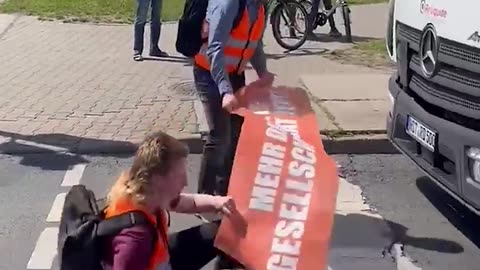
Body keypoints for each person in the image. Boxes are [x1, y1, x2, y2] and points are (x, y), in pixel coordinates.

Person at [101, 131, 246, 270]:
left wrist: (217, 203)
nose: (185, 182)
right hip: (156, 260)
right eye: (179, 175)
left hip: (161, 256)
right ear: (158, 179)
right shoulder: (135, 241)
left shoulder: (146, 193)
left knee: (223, 231)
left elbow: (189, 203)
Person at [193, 0, 275, 197]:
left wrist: (263, 72)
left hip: (235, 74)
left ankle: (224, 192)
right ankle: (205, 196)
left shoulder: (260, 7)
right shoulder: (229, 4)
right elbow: (214, 49)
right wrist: (225, 91)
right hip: (209, 73)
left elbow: (254, 44)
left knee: (236, 134)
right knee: (220, 136)